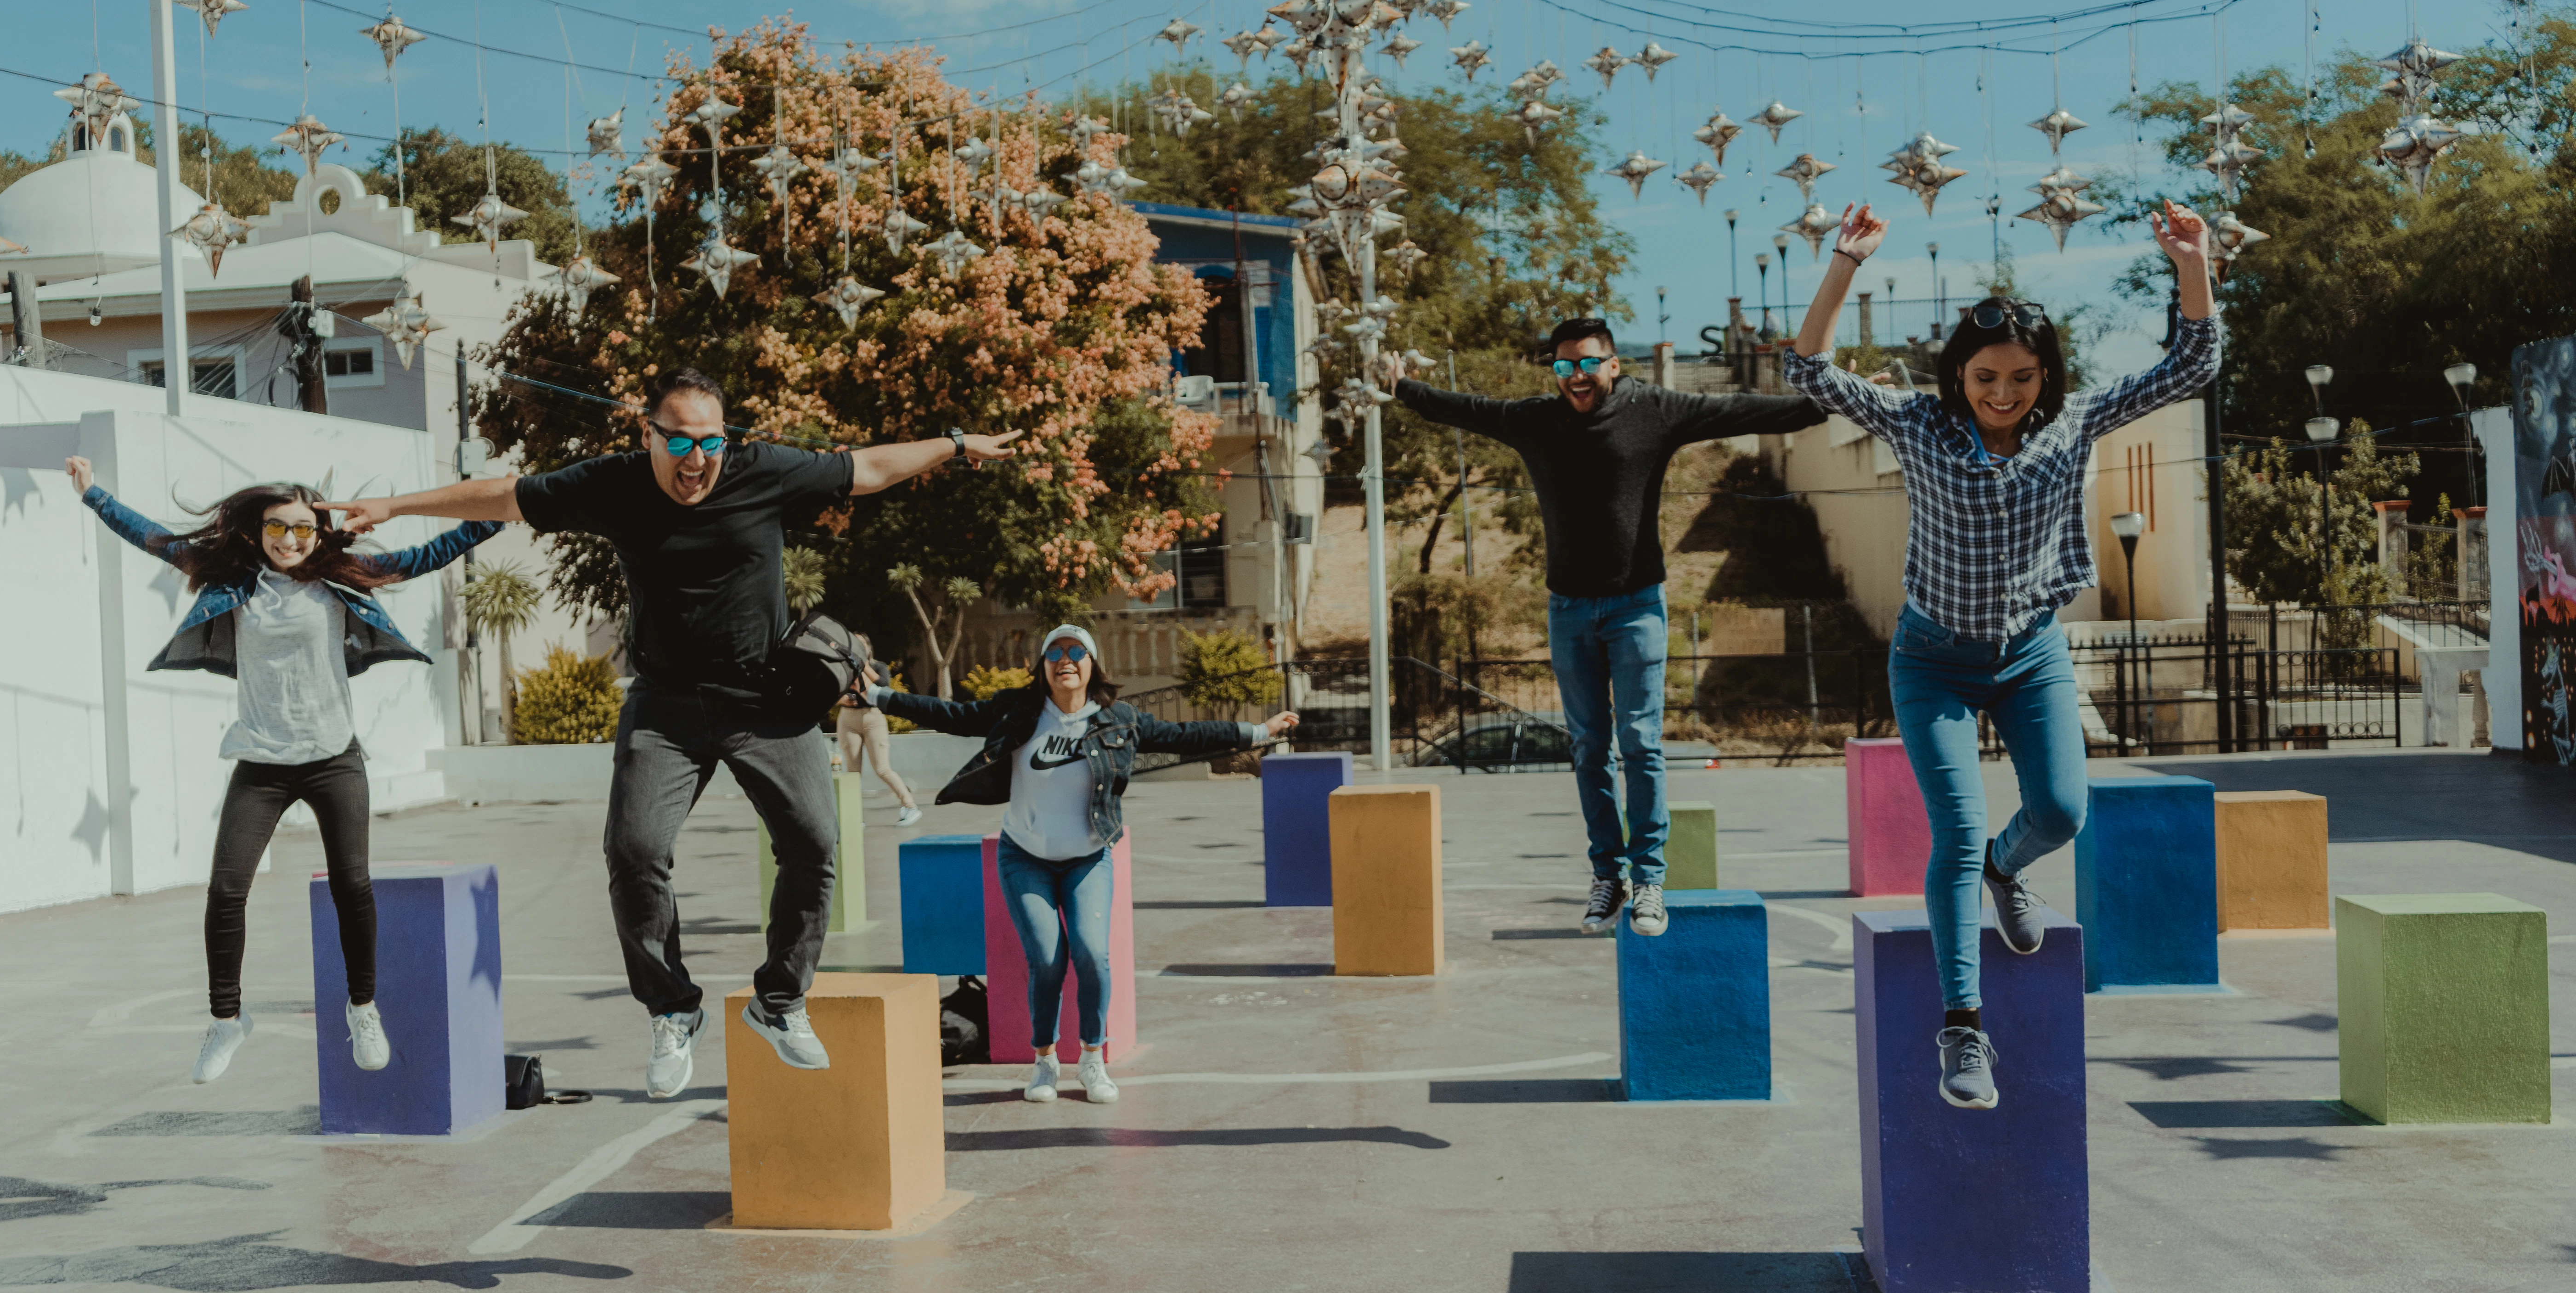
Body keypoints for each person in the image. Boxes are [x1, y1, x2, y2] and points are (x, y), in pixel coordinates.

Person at [321, 368, 1020, 1099]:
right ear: (646, 433)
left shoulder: (764, 472)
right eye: (680, 441)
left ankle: (779, 1002)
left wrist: (956, 443)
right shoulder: (614, 484)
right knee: (635, 851)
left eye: (711, 441)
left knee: (815, 841)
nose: (697, 460)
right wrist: (394, 505)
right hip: (666, 709)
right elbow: (504, 495)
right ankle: (671, 1009)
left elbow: (869, 467)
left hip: (765, 701)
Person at [1784, 200, 2220, 1109]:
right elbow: (1807, 369)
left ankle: (2008, 863)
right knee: (1950, 830)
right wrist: (1845, 265)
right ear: (1958, 374)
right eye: (1986, 376)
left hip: (2031, 657)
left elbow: (2195, 361)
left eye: (2022, 376)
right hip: (1933, 659)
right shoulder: (1918, 425)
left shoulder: (2075, 423)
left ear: (2045, 375)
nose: (2003, 392)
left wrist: (2192, 264)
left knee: (2063, 809)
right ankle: (1963, 1028)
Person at [1384, 315, 1823, 938]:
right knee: (1590, 747)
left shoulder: (1656, 409)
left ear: (1613, 364)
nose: (1576, 377)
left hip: (1636, 606)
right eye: (1564, 367)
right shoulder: (1537, 421)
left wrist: (1825, 402)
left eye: (1588, 363)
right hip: (1568, 609)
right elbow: (1470, 409)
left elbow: (1738, 410)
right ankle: (1607, 875)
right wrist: (1404, 389)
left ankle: (1649, 879)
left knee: (1641, 744)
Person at [63, 455, 498, 1084]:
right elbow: (154, 538)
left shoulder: (345, 577)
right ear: (255, 532)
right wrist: (92, 494)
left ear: (320, 533)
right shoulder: (231, 580)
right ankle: (226, 1020)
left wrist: (503, 514)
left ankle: (363, 1009)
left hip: (333, 760)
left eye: (303, 529)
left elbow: (432, 553)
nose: (291, 540)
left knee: (354, 887)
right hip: (262, 763)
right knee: (226, 891)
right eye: (278, 529)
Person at [857, 625, 1295, 1104]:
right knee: (1046, 960)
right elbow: (953, 715)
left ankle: (1092, 1058)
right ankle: (1045, 1061)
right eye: (1055, 652)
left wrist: (1259, 731)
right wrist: (879, 695)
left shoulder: (1117, 719)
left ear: (1092, 664)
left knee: (1091, 953)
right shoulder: (1020, 710)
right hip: (1024, 857)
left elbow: (1185, 734)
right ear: (1044, 666)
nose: (1066, 659)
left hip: (1088, 857)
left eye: (1076, 651)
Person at [836, 689, 921, 826]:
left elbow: (883, 684)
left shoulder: (876, 669)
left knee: (882, 769)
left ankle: (910, 806)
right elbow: (829, 691)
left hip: (873, 718)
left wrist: (865, 673)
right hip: (847, 719)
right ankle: (854, 816)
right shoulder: (845, 670)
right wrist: (839, 700)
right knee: (853, 773)